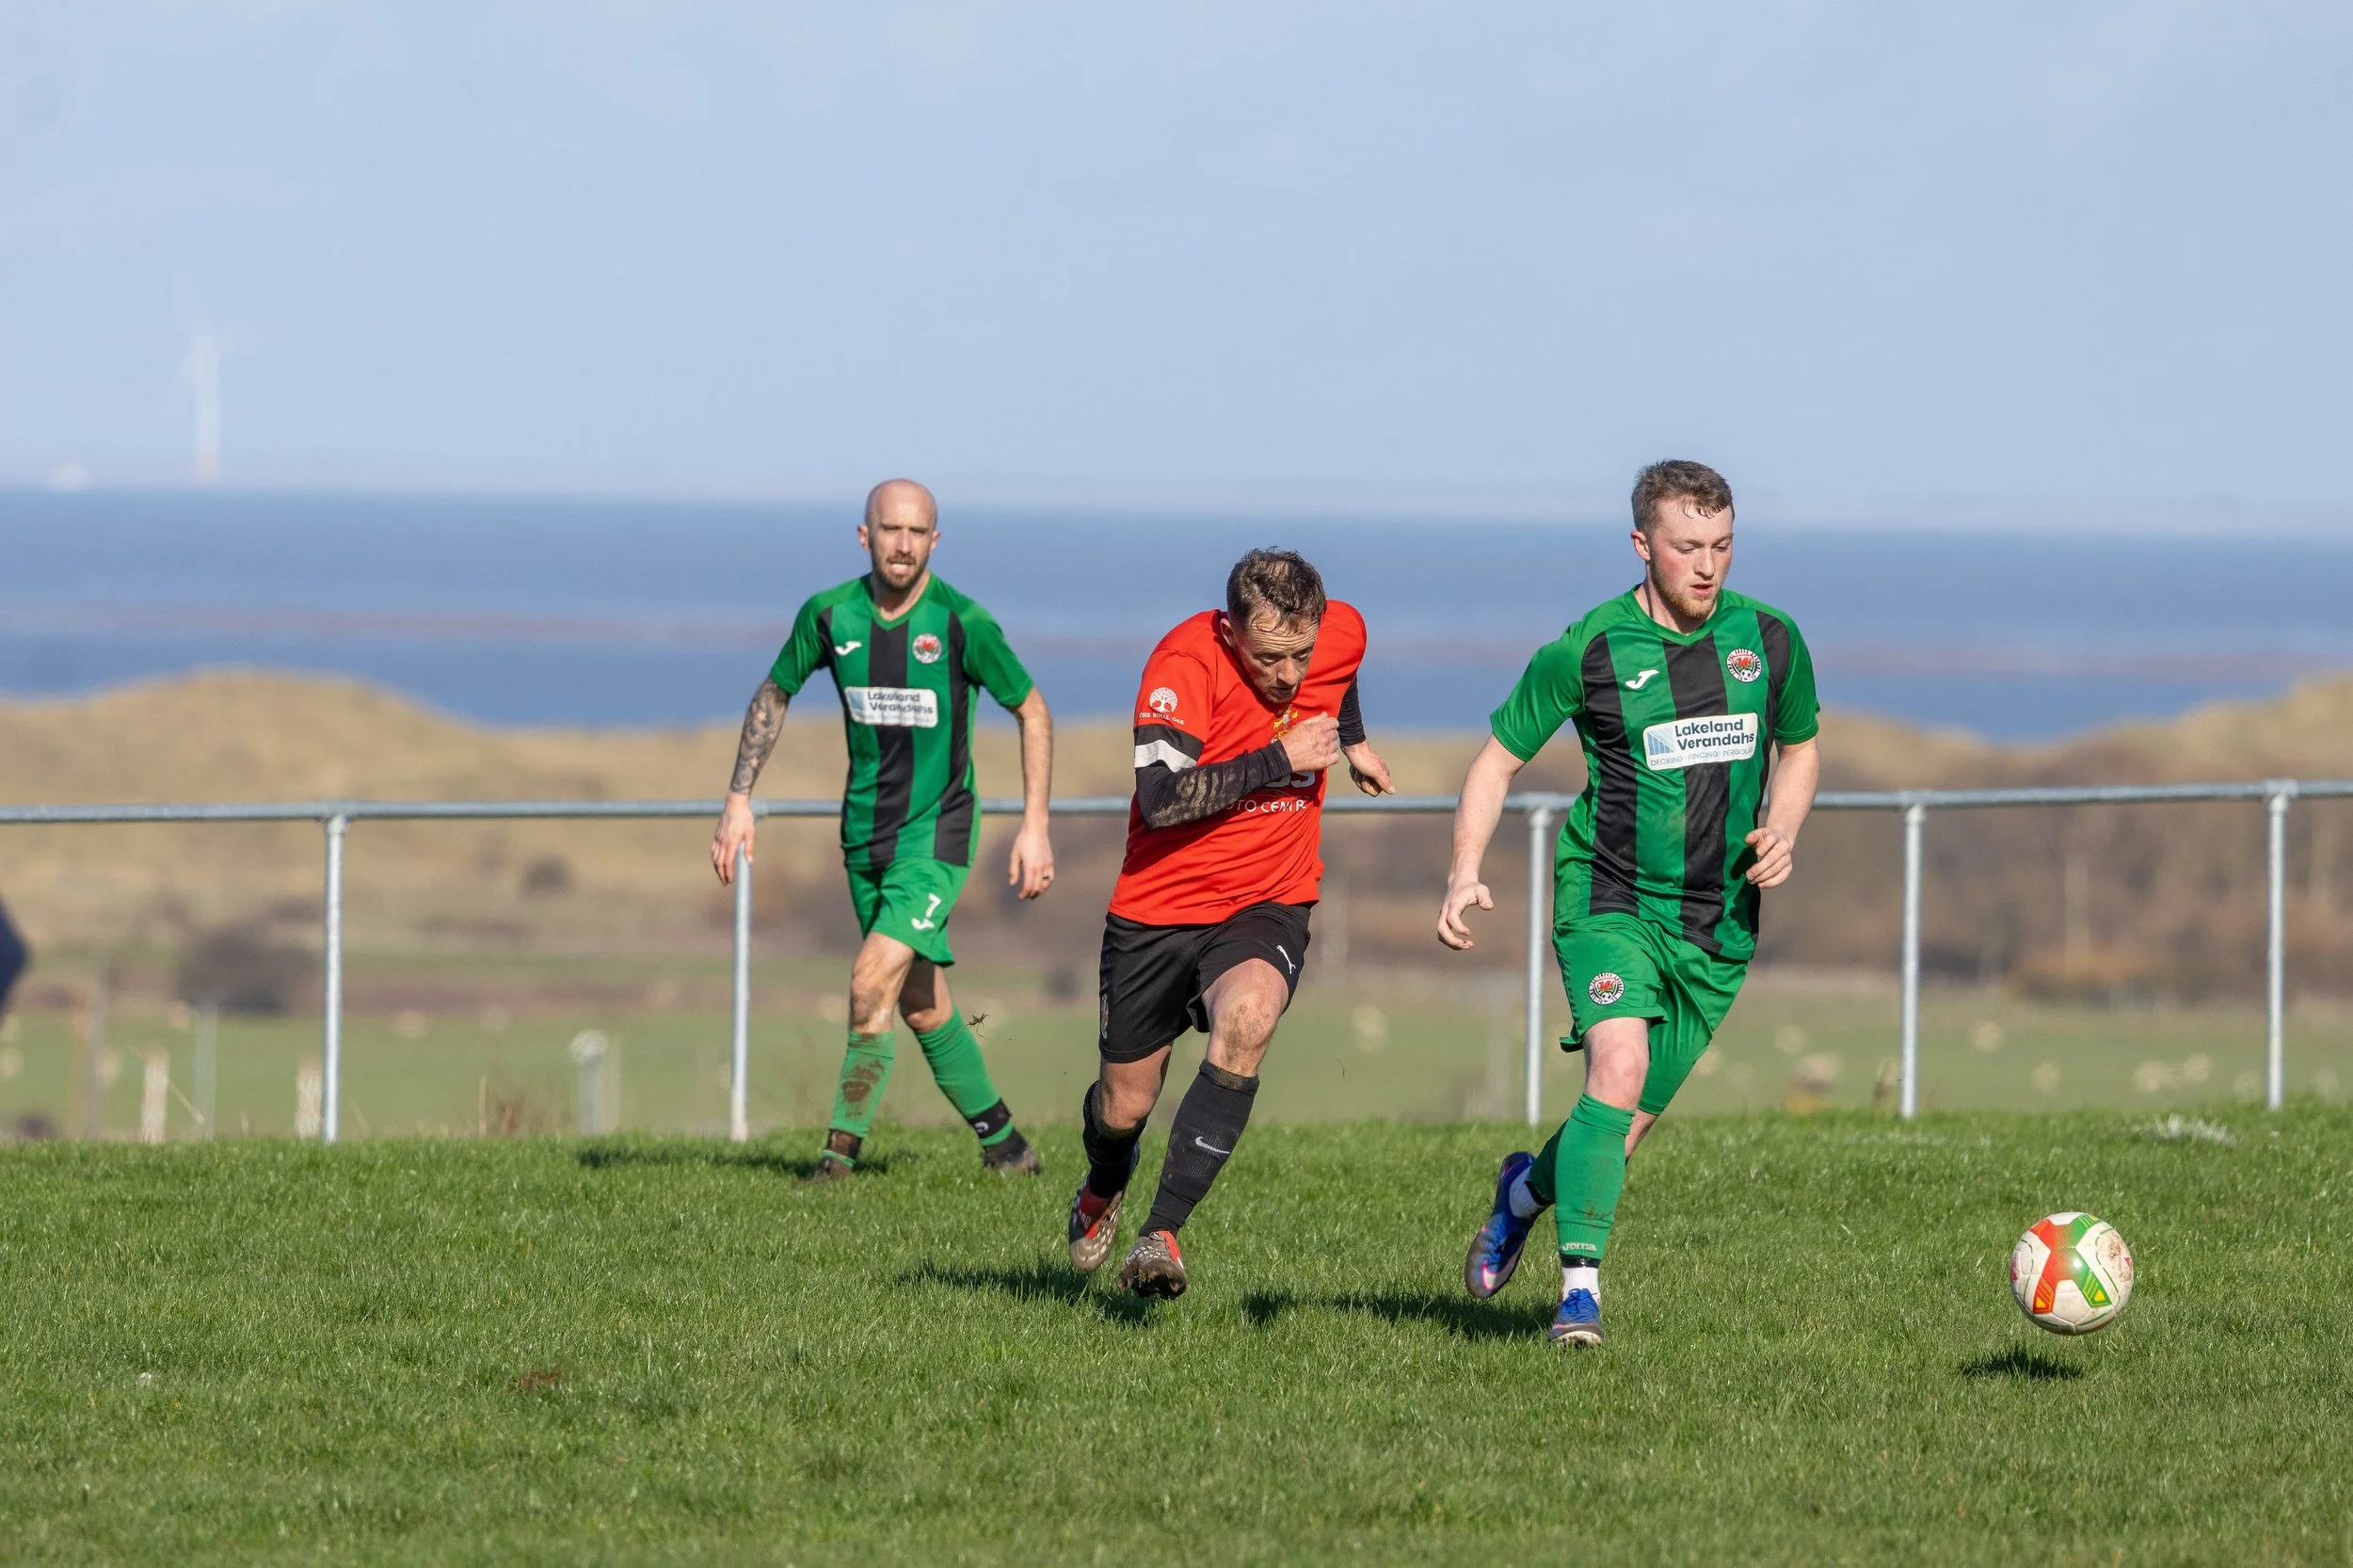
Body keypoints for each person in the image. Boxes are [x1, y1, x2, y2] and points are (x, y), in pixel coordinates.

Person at [1437, 460, 1820, 1347]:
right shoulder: (1589, 650)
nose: (1707, 565)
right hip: (1608, 898)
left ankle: (1523, 1193)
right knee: (1615, 1072)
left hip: (1717, 928)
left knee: (1616, 1131)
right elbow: (1495, 762)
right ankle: (1580, 1296)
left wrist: (1783, 828)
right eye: (1687, 547)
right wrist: (1463, 871)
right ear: (1642, 544)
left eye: (1722, 546)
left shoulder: (1771, 639)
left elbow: (1798, 747)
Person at [1065, 548, 1393, 1298]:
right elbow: (1160, 799)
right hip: (1156, 910)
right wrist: (1278, 757)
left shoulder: (1338, 635)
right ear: (1230, 630)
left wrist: (1353, 740)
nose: (1288, 676)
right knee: (1124, 1106)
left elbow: (1336, 677)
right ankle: (1102, 1183)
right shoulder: (1184, 662)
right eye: (1270, 657)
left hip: (1267, 898)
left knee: (1248, 1020)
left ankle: (1162, 1233)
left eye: (1300, 655)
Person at [711, 478, 1056, 1179]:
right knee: (923, 1006)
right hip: (864, 836)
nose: (903, 544)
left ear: (935, 540)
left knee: (871, 980)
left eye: (917, 532)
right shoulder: (829, 615)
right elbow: (775, 692)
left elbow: (1033, 710)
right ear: (864, 535)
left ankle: (837, 1160)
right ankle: (1008, 1148)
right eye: (890, 530)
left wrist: (1035, 827)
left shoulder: (962, 622)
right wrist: (738, 798)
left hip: (938, 838)